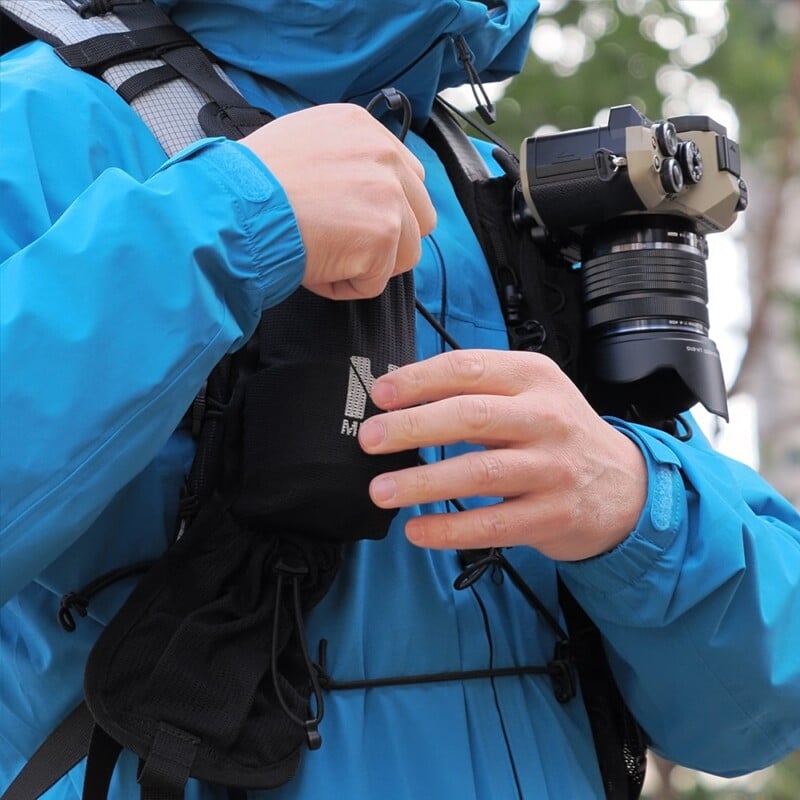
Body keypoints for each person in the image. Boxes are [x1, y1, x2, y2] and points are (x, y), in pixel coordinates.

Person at [1, 0, 799, 798]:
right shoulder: (40, 119)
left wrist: (635, 508)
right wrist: (231, 221)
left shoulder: (493, 192)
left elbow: (758, 708)